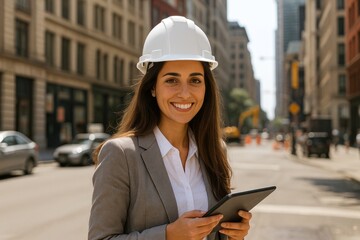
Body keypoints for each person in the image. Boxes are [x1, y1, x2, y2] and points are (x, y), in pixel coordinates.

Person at [88, 16, 252, 240]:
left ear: (206, 88)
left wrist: (233, 234)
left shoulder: (214, 149)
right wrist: (167, 235)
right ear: (153, 87)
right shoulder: (121, 155)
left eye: (195, 80)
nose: (185, 93)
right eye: (171, 80)